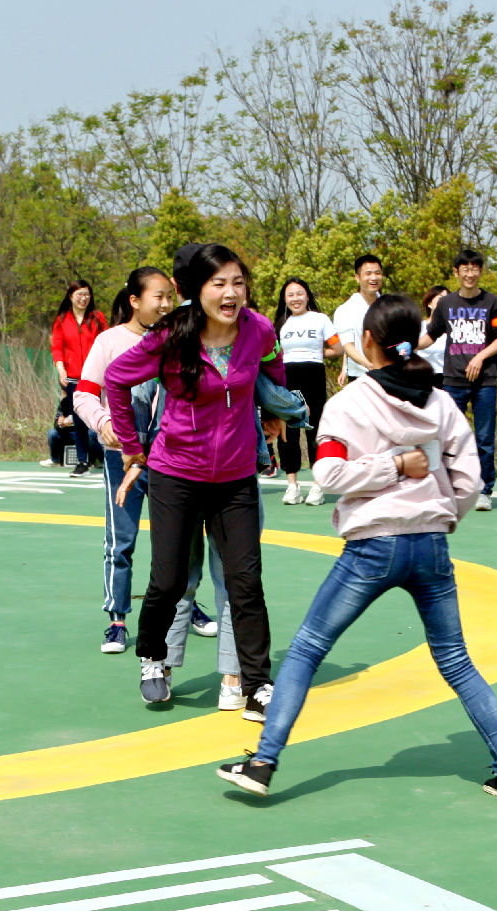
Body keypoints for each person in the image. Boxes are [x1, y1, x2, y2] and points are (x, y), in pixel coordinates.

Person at [216, 294, 497, 803]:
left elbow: (328, 473)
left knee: (305, 651)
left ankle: (262, 763)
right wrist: (440, 515)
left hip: (372, 547)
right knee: (455, 660)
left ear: (367, 342)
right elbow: (470, 480)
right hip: (431, 546)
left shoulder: (349, 402)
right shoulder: (440, 402)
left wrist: (389, 469)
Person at [105, 244, 283, 717]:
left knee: (246, 582)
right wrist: (132, 447)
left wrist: (277, 409)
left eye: (238, 282)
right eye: (219, 284)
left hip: (235, 477)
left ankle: (257, 684)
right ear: (195, 291)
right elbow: (117, 379)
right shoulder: (171, 337)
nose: (231, 293)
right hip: (175, 475)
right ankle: (153, 658)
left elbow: (273, 355)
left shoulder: (257, 328)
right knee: (168, 580)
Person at [421, 248, 497, 510]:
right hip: (453, 380)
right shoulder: (446, 305)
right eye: (465, 269)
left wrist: (480, 357)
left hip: (485, 382)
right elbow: (431, 335)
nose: (470, 274)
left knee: (484, 437)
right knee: (449, 436)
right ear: (456, 273)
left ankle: (484, 489)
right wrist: (408, 347)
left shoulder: (492, 303)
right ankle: (447, 485)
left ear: (481, 272)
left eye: (475, 269)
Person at [274, 277, 335, 507]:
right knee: (288, 431)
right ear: (285, 299)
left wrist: (317, 353)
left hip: (314, 376)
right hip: (287, 378)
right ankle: (292, 486)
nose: (295, 298)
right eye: (290, 295)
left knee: (314, 429)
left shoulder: (321, 319)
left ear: (307, 295)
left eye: (300, 293)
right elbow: (273, 354)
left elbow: (336, 347)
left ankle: (318, 486)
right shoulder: (281, 323)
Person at [50, 280, 108, 476]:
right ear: (70, 297)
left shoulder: (97, 318)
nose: (83, 298)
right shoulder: (61, 320)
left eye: (86, 294)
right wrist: (61, 370)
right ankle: (83, 461)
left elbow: (106, 342)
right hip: (73, 378)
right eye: (79, 294)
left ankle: (107, 456)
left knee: (101, 418)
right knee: (79, 420)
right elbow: (57, 347)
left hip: (96, 376)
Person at [331, 255, 385, 402]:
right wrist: (370, 365)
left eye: (378, 273)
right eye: (368, 273)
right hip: (361, 377)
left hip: (390, 376)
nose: (374, 278)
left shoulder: (389, 306)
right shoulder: (346, 310)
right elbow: (348, 346)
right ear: (357, 277)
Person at [421, 285, 449, 379]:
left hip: (446, 378)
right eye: (440, 298)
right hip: (422, 377)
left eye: (447, 298)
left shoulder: (453, 328)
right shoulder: (419, 327)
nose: (445, 302)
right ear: (429, 303)